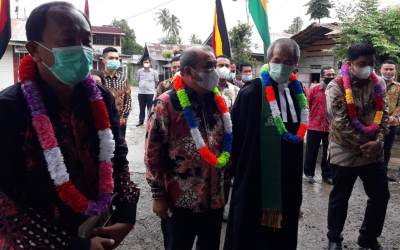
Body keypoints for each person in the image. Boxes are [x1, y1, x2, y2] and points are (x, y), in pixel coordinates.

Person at [0, 2, 139, 250]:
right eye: (68, 41)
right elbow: (5, 199)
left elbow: (117, 156)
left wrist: (126, 215)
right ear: (35, 50)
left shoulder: (101, 98)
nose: (82, 49)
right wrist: (73, 246)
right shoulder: (9, 109)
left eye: (86, 41)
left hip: (97, 228)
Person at [145, 46, 232, 250]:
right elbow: (152, 154)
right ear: (186, 72)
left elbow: (226, 143)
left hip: (215, 198)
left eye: (215, 66)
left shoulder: (219, 102)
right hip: (180, 200)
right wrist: (158, 196)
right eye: (208, 67)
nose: (215, 72)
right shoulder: (165, 104)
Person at [224, 38, 306, 250]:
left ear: (296, 63)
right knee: (248, 232)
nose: (282, 65)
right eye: (278, 59)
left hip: (288, 176)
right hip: (254, 175)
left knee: (282, 232)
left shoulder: (298, 94)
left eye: (289, 61)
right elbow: (236, 136)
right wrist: (231, 173)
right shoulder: (251, 92)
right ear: (269, 59)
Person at [326, 43, 390, 250]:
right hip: (344, 150)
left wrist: (378, 141)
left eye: (371, 64)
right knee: (340, 196)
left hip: (373, 149)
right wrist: (366, 145)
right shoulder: (335, 86)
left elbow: (384, 116)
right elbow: (340, 123)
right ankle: (334, 238)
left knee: (380, 194)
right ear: (350, 64)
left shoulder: (378, 82)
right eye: (362, 64)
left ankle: (368, 237)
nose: (367, 68)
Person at [304, 66, 336, 185]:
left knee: (328, 153)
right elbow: (307, 105)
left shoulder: (337, 90)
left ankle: (327, 175)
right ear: (322, 76)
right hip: (314, 126)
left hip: (331, 127)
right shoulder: (314, 89)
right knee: (311, 151)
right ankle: (309, 174)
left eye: (333, 74)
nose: (331, 77)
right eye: (328, 75)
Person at [101, 47, 131, 138]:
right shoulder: (97, 78)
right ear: (104, 60)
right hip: (102, 121)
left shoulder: (123, 79)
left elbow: (128, 100)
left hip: (120, 121)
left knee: (120, 147)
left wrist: (124, 117)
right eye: (111, 58)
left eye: (116, 58)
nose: (114, 60)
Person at [381, 60, 399, 182]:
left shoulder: (398, 87)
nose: (388, 71)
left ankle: (383, 174)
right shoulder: (373, 84)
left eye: (391, 69)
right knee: (373, 148)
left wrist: (395, 117)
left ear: (395, 71)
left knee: (387, 149)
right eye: (386, 69)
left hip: (391, 124)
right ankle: (368, 174)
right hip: (374, 124)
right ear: (380, 70)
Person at [135, 57, 158, 126]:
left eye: (147, 62)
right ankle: (141, 121)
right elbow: (138, 80)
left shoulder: (154, 72)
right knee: (141, 108)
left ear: (150, 63)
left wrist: (152, 88)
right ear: (143, 63)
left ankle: (150, 122)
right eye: (145, 62)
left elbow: (156, 81)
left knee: (150, 109)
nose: (146, 64)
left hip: (150, 93)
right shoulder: (139, 71)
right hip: (141, 93)